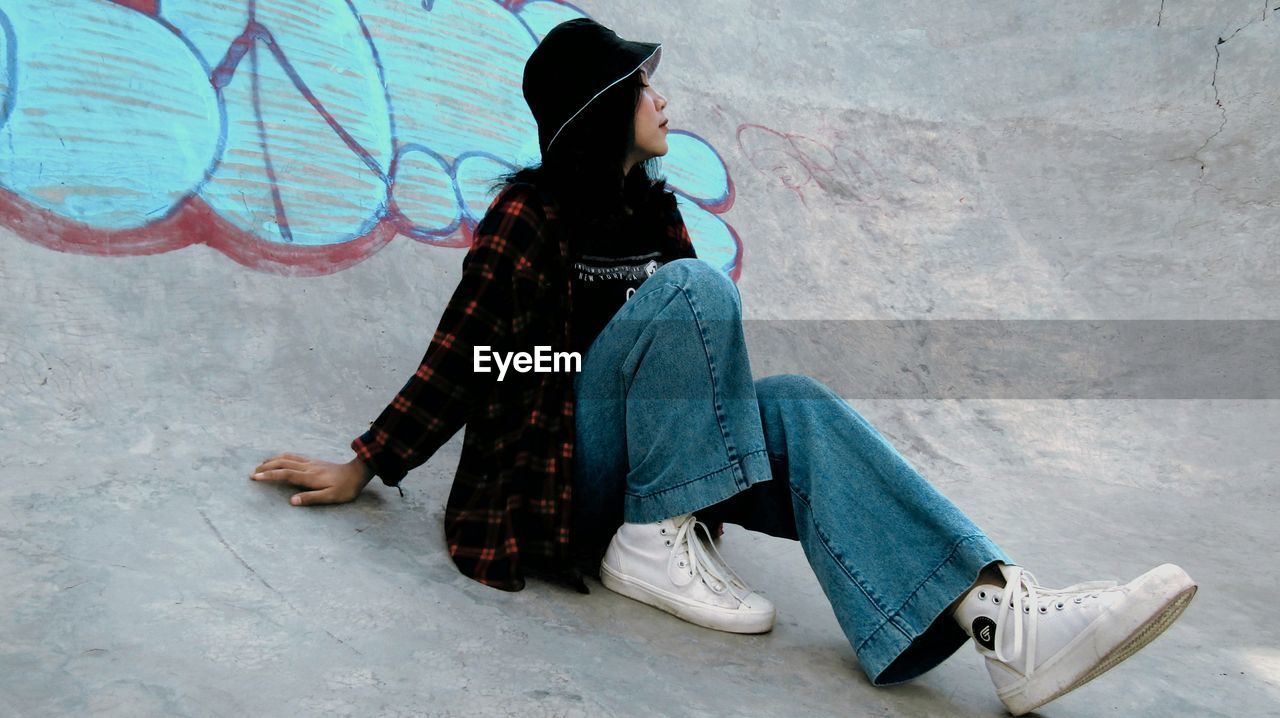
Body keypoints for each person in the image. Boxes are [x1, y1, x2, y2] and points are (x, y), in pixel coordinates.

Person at [249, 18, 1197, 715]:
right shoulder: (527, 220)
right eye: (645, 86)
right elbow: (472, 357)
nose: (664, 100)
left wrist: (669, 393)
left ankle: (1000, 618)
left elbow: (682, 372)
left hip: (645, 464)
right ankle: (652, 538)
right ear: (599, 109)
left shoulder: (651, 212)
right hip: (560, 481)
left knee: (798, 408)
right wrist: (366, 463)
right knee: (694, 294)